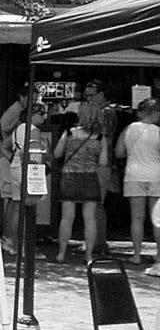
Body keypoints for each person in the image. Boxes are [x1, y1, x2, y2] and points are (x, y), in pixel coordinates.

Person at [54, 110, 107, 264]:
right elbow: (103, 162)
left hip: (69, 176)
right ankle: (89, 255)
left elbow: (57, 153)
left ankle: (61, 253)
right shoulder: (100, 137)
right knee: (90, 219)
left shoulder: (69, 133)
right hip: (90, 176)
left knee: (67, 218)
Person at [115, 97, 160, 265]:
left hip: (133, 175)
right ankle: (159, 255)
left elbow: (119, 152)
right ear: (154, 113)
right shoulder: (158, 131)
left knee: (137, 218)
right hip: (156, 176)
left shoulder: (129, 129)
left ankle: (136, 255)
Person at [0, 104, 49, 255]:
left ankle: (12, 242)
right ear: (31, 114)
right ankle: (23, 246)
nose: (44, 116)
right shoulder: (34, 130)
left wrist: (13, 160)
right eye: (41, 113)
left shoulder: (18, 128)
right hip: (29, 170)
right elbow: (37, 153)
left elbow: (4, 147)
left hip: (16, 168)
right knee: (28, 207)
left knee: (16, 206)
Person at [79, 80, 118, 256]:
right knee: (92, 204)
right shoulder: (99, 112)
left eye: (92, 95)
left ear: (102, 94)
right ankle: (94, 241)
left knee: (97, 204)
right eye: (86, 95)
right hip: (95, 162)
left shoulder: (107, 113)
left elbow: (105, 140)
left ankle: (99, 242)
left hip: (101, 163)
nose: (89, 99)